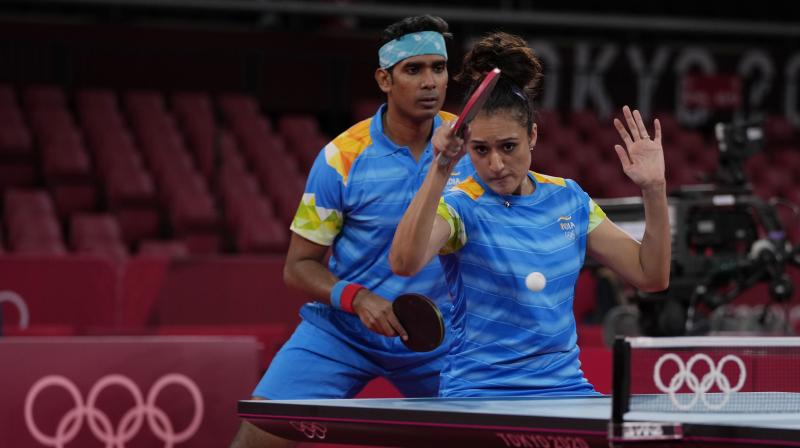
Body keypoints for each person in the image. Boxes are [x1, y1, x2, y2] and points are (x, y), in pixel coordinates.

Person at [230, 15, 475, 447]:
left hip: (440, 341)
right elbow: (298, 266)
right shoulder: (340, 158)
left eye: (437, 68)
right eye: (413, 70)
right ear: (384, 78)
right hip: (343, 333)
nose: (430, 82)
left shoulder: (471, 147)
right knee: (258, 439)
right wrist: (356, 298)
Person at [389, 32, 671, 397]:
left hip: (565, 391)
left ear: (533, 136)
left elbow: (651, 275)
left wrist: (654, 189)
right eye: (480, 149)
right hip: (479, 394)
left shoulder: (568, 199)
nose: (495, 164)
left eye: (509, 147)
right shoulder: (461, 206)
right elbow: (403, 263)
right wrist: (440, 169)